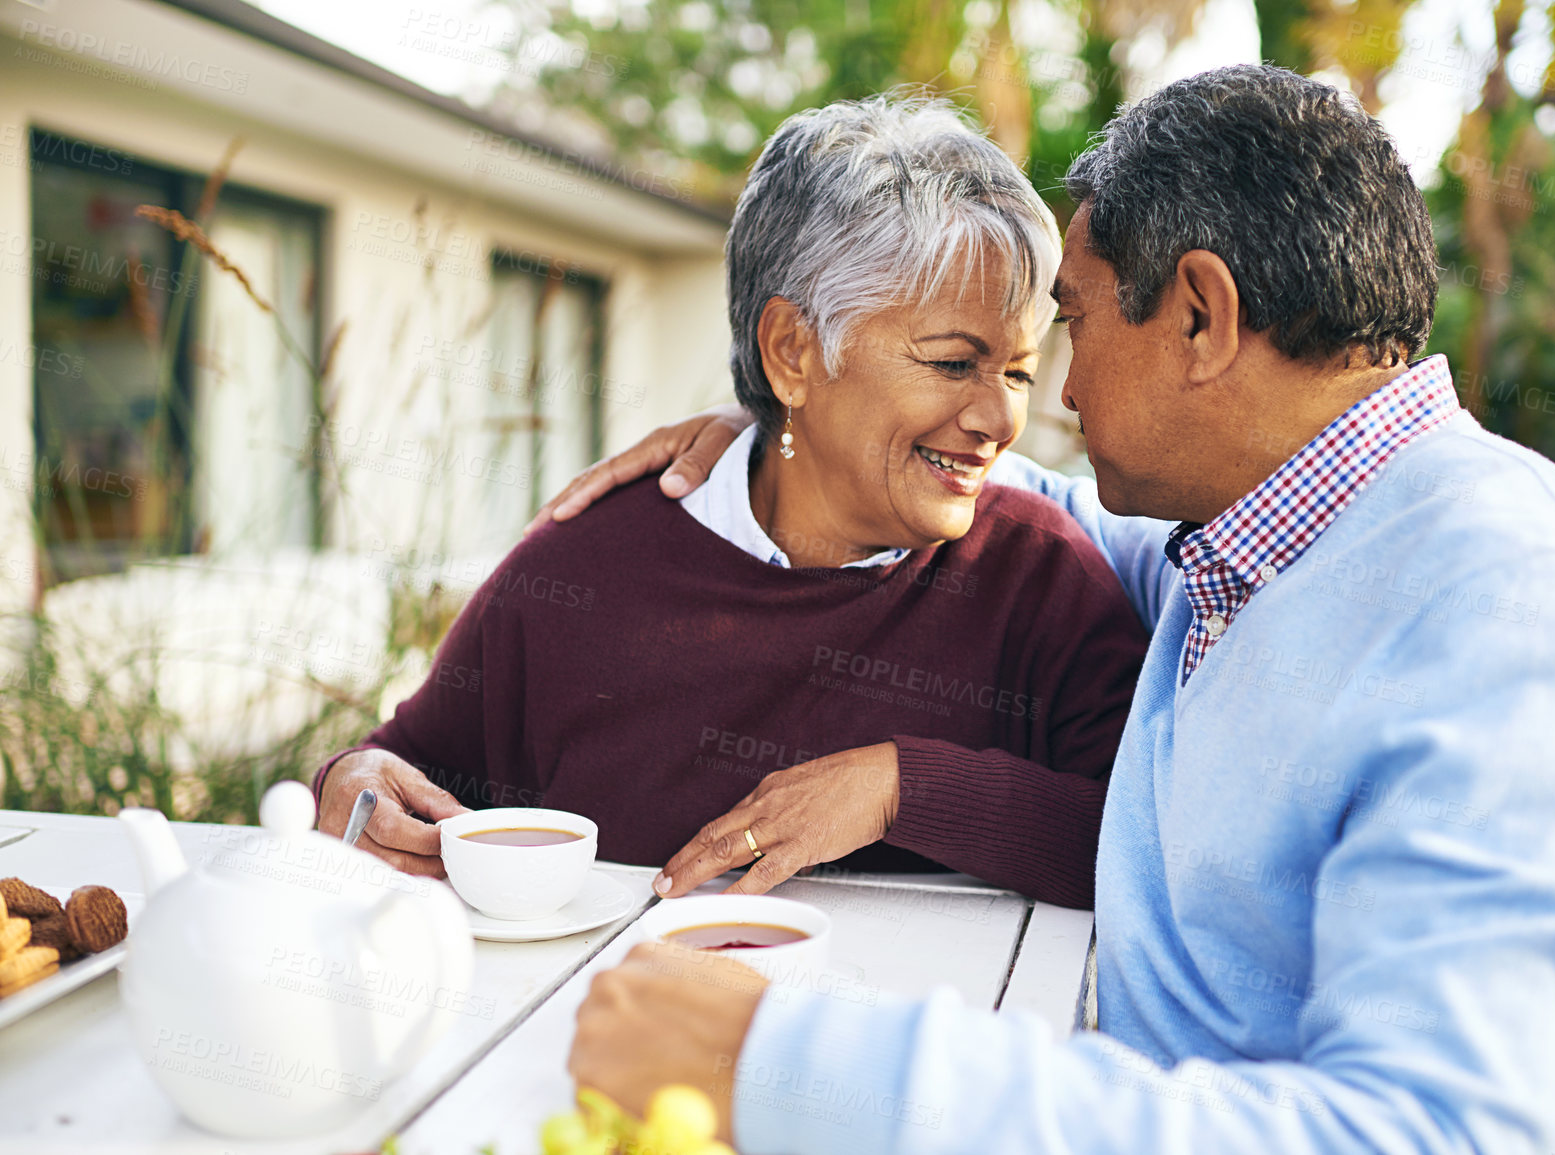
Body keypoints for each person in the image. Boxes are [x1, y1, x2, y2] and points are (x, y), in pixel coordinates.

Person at [562, 66, 1555, 1154]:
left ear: (1200, 317)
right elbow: (1031, 494)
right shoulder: (1257, 542)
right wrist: (789, 422)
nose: (1055, 394)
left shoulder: (1514, 627)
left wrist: (787, 1061)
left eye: (1071, 323)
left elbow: (1426, 1136)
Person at [310, 97, 1149, 911]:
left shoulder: (1041, 577)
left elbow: (1151, 849)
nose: (1001, 419)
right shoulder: (582, 563)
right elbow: (405, 770)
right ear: (791, 352)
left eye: (1017, 371)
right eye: (953, 364)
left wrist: (902, 787)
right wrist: (350, 780)